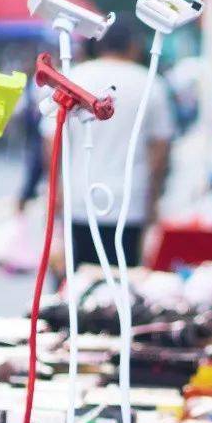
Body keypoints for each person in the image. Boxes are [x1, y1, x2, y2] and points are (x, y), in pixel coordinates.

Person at [46, 17, 172, 269]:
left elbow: (52, 139)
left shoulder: (75, 77)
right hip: (129, 201)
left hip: (77, 196)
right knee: (122, 285)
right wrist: (153, 197)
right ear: (134, 46)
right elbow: (159, 149)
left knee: (74, 285)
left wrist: (56, 187)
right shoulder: (150, 84)